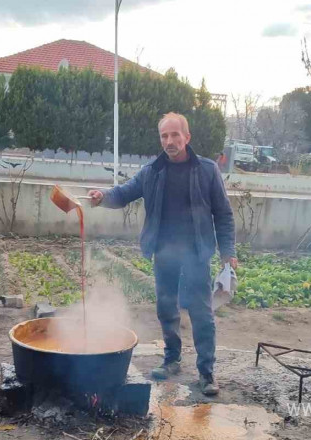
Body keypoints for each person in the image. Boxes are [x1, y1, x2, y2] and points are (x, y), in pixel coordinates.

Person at [88, 112, 236, 396]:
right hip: (164, 253)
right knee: (166, 308)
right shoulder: (152, 171)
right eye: (164, 136)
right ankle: (172, 360)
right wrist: (102, 197)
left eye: (174, 135)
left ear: (187, 137)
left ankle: (206, 373)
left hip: (196, 254)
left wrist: (228, 251)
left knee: (201, 313)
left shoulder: (206, 170)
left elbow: (224, 213)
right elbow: (124, 193)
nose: (169, 141)